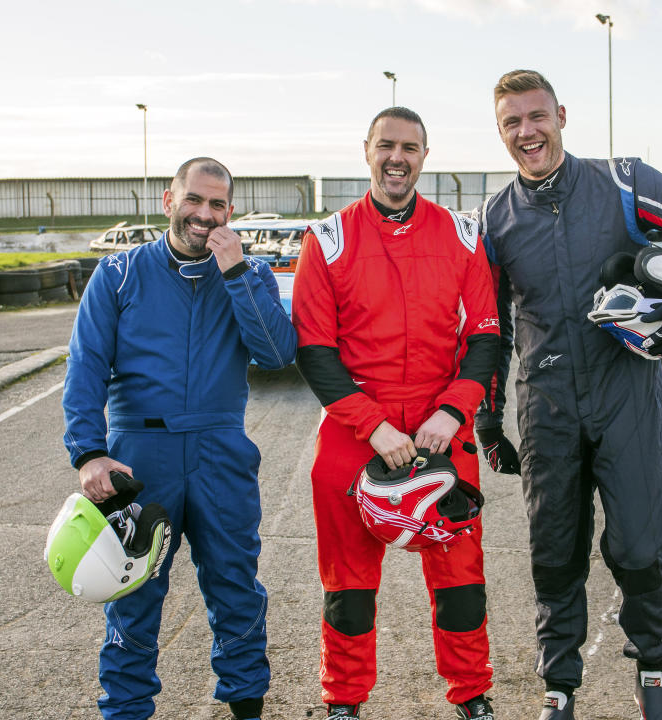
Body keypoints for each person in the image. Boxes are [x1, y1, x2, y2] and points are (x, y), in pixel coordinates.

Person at [473, 70, 662, 720]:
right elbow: (491, 323)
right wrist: (489, 419)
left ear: (562, 115)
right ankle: (559, 687)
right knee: (555, 551)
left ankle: (652, 668)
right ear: (500, 132)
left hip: (626, 398)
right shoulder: (493, 218)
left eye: (536, 116)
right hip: (547, 408)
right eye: (511, 122)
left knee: (636, 543)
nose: (526, 132)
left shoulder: (623, 183)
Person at [62, 157, 297, 720]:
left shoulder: (251, 273)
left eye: (217, 205)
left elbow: (276, 353)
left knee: (235, 585)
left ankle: (246, 705)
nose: (204, 214)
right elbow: (86, 368)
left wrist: (236, 271)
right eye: (194, 200)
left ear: (230, 213)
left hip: (221, 451)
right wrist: (90, 453)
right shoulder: (118, 273)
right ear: (170, 200)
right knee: (133, 597)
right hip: (138, 457)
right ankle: (125, 710)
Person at [291, 107, 501, 720]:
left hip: (442, 428)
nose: (397, 158)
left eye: (409, 147)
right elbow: (314, 350)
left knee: (461, 578)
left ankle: (472, 695)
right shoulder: (327, 238)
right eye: (386, 146)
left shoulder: (462, 234)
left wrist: (455, 412)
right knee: (348, 585)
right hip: (357, 433)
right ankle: (344, 702)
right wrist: (374, 425)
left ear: (424, 156)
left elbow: (485, 336)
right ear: (366, 151)